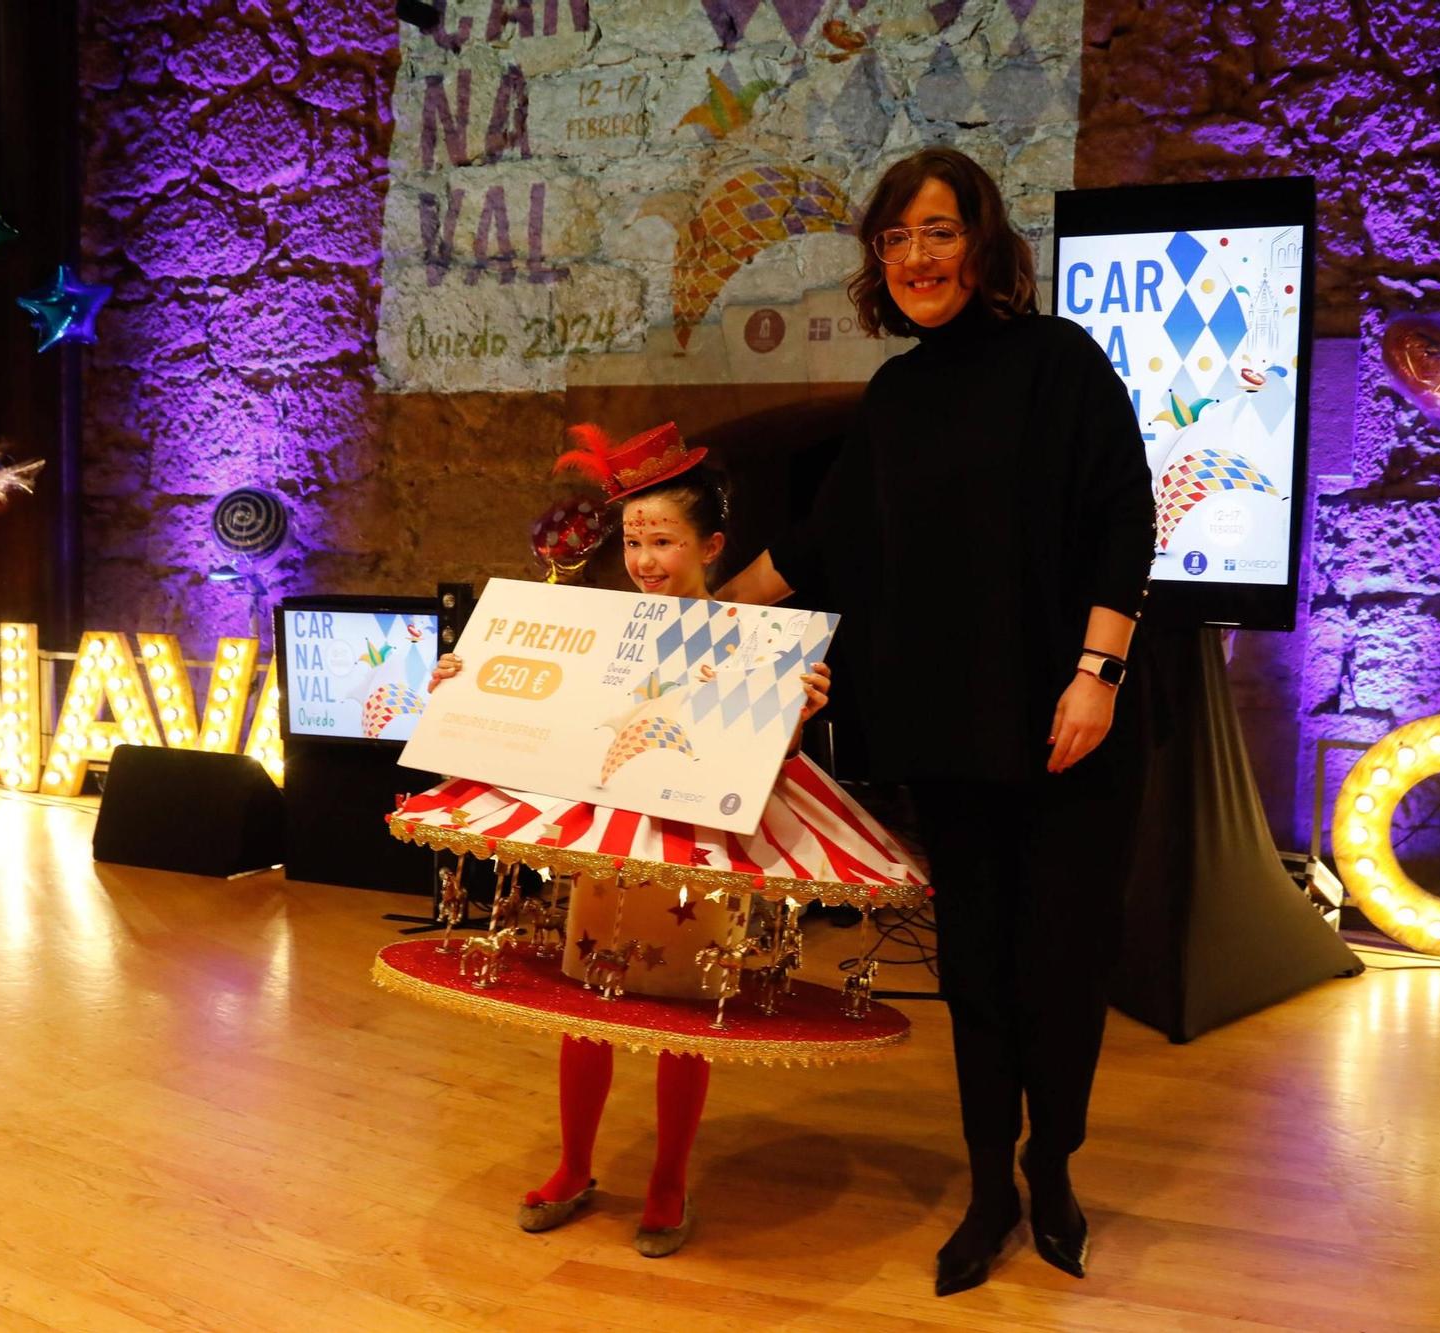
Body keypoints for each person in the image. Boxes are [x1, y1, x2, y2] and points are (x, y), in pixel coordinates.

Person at [718, 146, 1158, 1295]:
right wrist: (692, 622)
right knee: (974, 968)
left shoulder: (1057, 361)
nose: (915, 257)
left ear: (982, 243)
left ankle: (1050, 1171)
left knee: (1061, 965)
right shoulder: (897, 397)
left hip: (1072, 730)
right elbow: (819, 546)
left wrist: (1096, 673)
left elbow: (1124, 514)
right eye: (894, 238)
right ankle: (985, 1189)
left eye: (938, 231)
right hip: (951, 739)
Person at [395, 421, 923, 1259]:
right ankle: (573, 1164)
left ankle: (669, 1178)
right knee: (588, 997)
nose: (645, 558)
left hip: (700, 842)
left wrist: (797, 713)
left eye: (664, 540)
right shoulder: (597, 628)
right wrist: (467, 684)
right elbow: (530, 712)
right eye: (634, 540)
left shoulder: (754, 639)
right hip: (613, 835)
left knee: (687, 1010)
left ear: (710, 544)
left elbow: (764, 759)